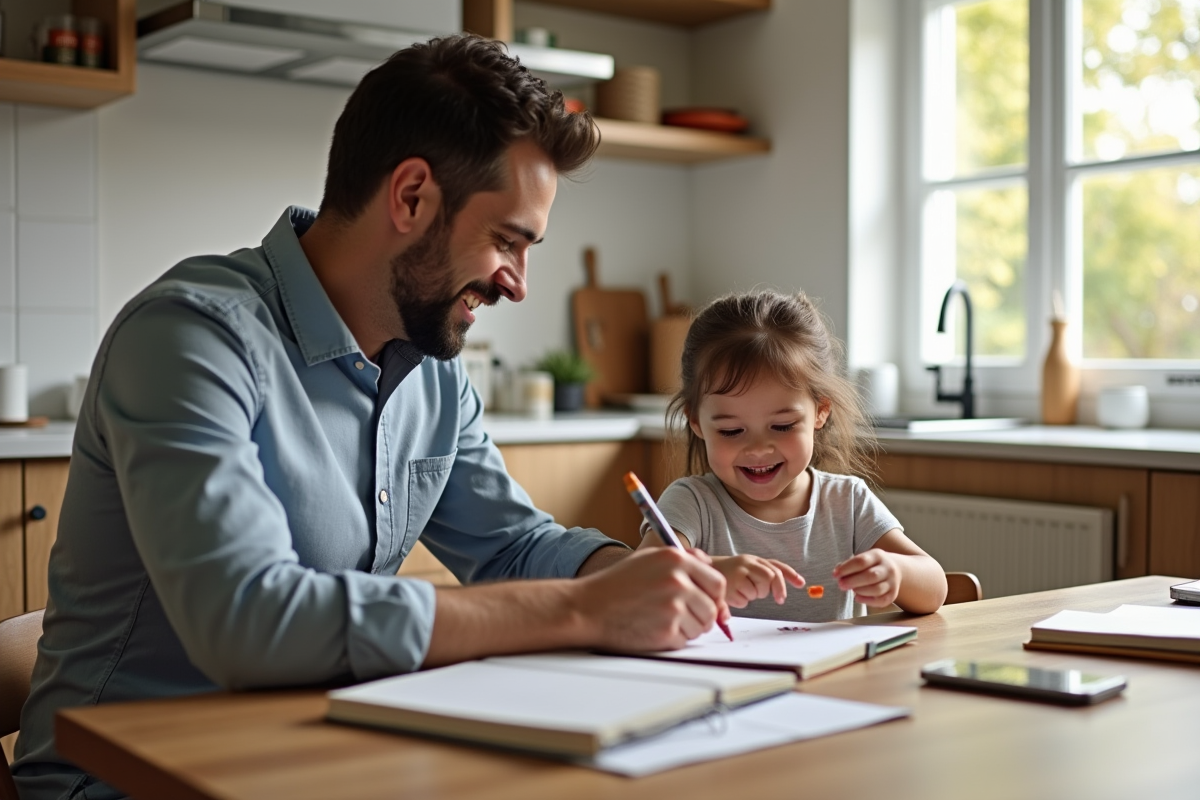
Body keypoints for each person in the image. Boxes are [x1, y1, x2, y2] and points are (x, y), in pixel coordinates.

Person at [14, 35, 730, 800]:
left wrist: (634, 576)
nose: (518, 284)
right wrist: (584, 609)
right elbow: (249, 621)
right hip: (117, 782)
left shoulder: (434, 374)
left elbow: (514, 546)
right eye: (506, 240)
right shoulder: (190, 337)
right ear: (412, 196)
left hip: (304, 758)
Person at [637, 289, 947, 621]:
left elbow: (935, 588)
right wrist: (710, 574)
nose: (758, 449)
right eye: (731, 431)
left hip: (833, 673)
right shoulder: (692, 503)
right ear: (696, 421)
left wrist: (896, 571)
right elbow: (637, 584)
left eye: (782, 426)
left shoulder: (848, 502)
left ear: (820, 411)